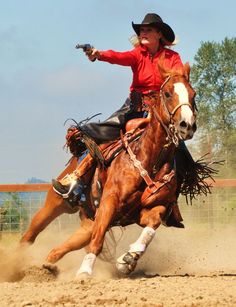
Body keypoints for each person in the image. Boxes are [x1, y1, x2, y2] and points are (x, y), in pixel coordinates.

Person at [52, 13, 186, 200]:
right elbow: (119, 57)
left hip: (162, 110)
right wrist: (98, 54)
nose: (142, 33)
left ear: (159, 34)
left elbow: (179, 77)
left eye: (147, 30)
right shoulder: (138, 54)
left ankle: (173, 197)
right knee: (101, 135)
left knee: (181, 151)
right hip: (134, 106)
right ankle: (77, 179)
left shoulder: (173, 57)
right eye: (141, 31)